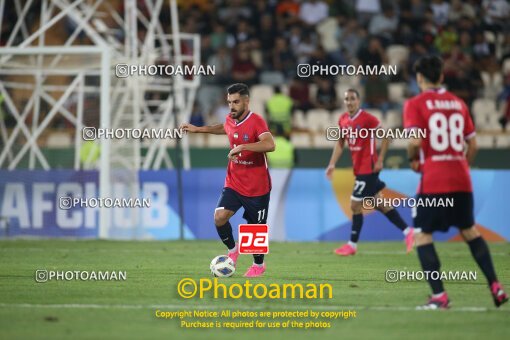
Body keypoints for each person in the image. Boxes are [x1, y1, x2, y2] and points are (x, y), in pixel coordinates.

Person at [404, 56, 508, 309]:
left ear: (419, 78)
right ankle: (495, 285)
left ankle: (439, 296)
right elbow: (473, 144)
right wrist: (462, 165)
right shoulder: (458, 103)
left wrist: (413, 160)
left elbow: (415, 142)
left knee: (422, 235)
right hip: (461, 178)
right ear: (441, 77)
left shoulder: (415, 104)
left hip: (434, 179)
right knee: (469, 230)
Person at [180, 83, 275, 277]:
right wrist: (199, 129)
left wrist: (243, 147)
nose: (232, 106)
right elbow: (224, 128)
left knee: (254, 231)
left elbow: (269, 144)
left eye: (236, 102)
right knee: (219, 217)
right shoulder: (229, 119)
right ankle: (233, 250)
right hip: (234, 182)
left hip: (257, 187)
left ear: (247, 101)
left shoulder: (257, 121)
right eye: (229, 102)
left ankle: (259, 265)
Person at [326, 89, 414, 256]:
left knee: (355, 204)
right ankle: (407, 232)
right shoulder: (343, 120)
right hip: (359, 169)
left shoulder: (367, 119)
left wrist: (380, 159)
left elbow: (386, 136)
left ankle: (352, 245)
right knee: (379, 203)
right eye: (346, 99)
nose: (349, 102)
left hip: (369, 167)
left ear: (358, 101)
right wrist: (332, 164)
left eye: (352, 99)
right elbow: (340, 143)